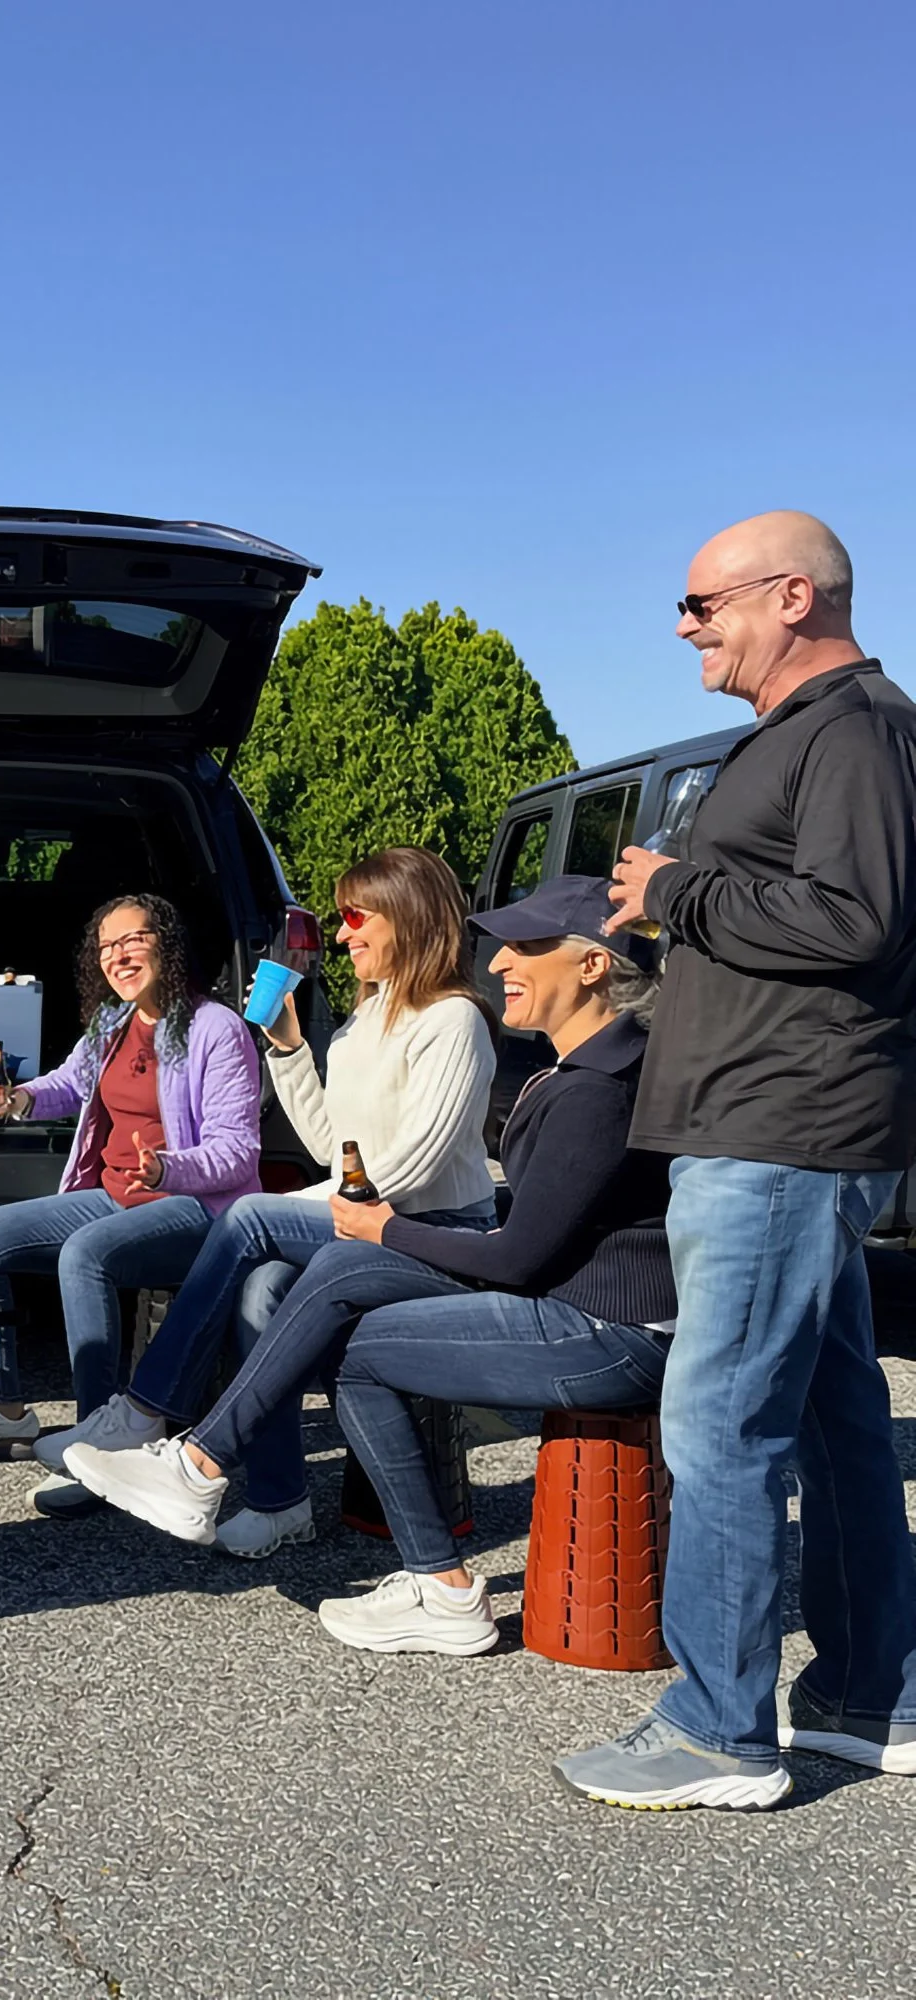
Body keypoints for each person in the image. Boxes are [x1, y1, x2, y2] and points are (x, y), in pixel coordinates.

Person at [558, 511, 916, 1810]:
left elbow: (854, 917)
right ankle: (870, 1692)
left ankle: (719, 1729)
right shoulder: (807, 735)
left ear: (792, 597)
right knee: (830, 1414)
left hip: (778, 1132)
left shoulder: (855, 730)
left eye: (702, 604)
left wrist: (675, 892)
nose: (682, 626)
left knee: (718, 1422)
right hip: (773, 1127)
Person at [73, 879, 669, 1638]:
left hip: (606, 1328)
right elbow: (350, 1156)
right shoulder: (572, 1069)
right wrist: (290, 1050)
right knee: (340, 1315)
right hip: (559, 1291)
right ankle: (428, 1581)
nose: (500, 964)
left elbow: (516, 1256)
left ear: (592, 966)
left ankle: (191, 1455)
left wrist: (380, 1229)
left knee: (309, 1271)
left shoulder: (594, 1087)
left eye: (525, 947)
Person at [41, 847, 498, 1554]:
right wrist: (287, 1048)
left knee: (251, 1214)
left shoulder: (453, 1021)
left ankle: (146, 1411)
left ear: (408, 917)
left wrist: (303, 1205)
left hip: (433, 1230)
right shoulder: (364, 1020)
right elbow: (330, 1144)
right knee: (261, 1290)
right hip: (366, 1216)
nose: (341, 935)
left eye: (355, 917)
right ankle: (282, 1500)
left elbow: (412, 1168)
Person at [0, 895, 262, 1514]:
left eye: (132, 940)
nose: (119, 956)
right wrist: (17, 1100)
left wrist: (168, 1167)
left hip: (200, 1208)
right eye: (107, 947)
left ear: (167, 943)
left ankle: (98, 1446)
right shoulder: (112, 1023)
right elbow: (69, 1082)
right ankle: (6, 1410)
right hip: (116, 1196)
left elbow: (238, 1153)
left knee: (84, 1254)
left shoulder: (215, 1028)